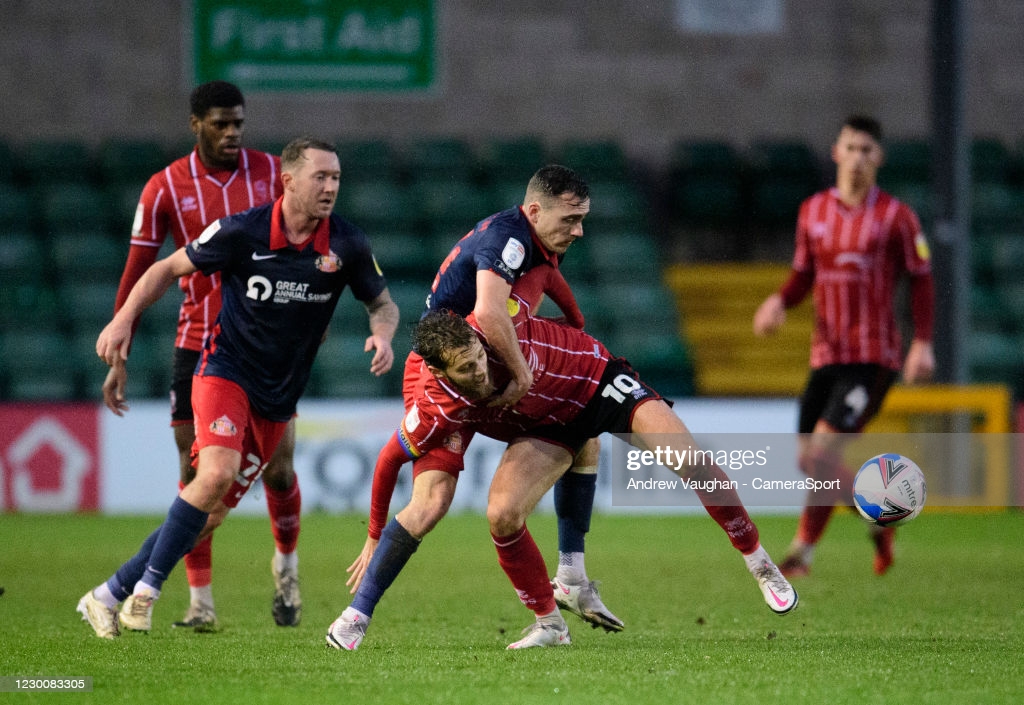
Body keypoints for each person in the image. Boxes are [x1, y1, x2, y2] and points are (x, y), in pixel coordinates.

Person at [327, 299, 798, 651]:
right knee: (502, 514)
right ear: (440, 371)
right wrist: (372, 535)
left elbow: (538, 273)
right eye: (467, 369)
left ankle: (759, 561)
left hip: (597, 382)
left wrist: (573, 314)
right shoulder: (438, 406)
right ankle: (551, 624)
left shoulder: (495, 318)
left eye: (477, 355)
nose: (481, 370)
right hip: (551, 425)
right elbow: (389, 458)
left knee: (690, 461)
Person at [77, 137, 399, 639]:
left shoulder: (347, 244)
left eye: (336, 177)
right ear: (288, 181)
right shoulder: (241, 231)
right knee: (215, 472)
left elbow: (382, 303)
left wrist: (382, 335)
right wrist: (123, 320)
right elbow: (165, 267)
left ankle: (108, 593)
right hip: (224, 372)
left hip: (278, 399)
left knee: (208, 517)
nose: (331, 186)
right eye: (321, 177)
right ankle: (147, 594)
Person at [361, 165, 620, 636]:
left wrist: (570, 326)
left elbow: (551, 287)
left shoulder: (543, 243)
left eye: (582, 220)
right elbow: (485, 312)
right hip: (446, 372)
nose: (579, 230)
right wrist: (522, 372)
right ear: (537, 211)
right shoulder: (509, 242)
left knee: (581, 426)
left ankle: (570, 579)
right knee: (432, 502)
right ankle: (356, 615)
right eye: (571, 219)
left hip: (489, 363)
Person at [103, 81, 301, 630]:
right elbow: (140, 269)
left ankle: (286, 566)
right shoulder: (163, 188)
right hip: (198, 345)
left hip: (265, 347)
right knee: (197, 474)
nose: (232, 132)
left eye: (238, 122)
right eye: (221, 123)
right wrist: (121, 345)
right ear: (196, 124)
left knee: (280, 469)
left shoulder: (271, 175)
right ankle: (200, 603)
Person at [752, 115, 935, 578]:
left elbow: (921, 279)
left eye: (867, 150)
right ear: (836, 152)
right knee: (808, 461)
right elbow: (802, 276)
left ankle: (801, 554)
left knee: (821, 455)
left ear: (879, 158)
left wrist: (923, 343)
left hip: (873, 357)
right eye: (851, 148)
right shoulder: (812, 211)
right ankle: (882, 515)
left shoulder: (896, 216)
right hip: (825, 354)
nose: (858, 158)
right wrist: (778, 301)